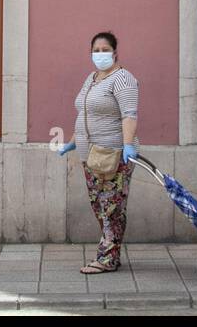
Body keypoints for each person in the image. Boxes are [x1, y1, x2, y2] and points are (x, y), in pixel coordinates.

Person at [57, 31, 139, 274]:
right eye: (96, 50)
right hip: (90, 156)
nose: (100, 54)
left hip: (112, 153)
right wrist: (73, 141)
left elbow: (129, 115)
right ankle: (111, 253)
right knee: (100, 206)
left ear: (115, 52)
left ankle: (107, 259)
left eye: (105, 50)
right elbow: (84, 112)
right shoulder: (92, 78)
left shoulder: (123, 79)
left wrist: (128, 144)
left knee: (111, 206)